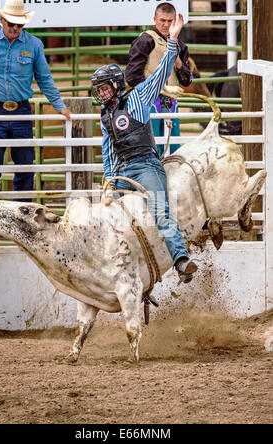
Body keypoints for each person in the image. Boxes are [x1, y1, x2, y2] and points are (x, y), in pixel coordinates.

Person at [91, 14, 197, 283]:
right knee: (108, 217)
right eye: (98, 91)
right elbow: (108, 150)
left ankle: (181, 260)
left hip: (146, 165)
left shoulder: (137, 97)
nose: (101, 95)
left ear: (116, 85)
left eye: (104, 89)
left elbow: (162, 71)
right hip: (122, 172)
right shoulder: (105, 117)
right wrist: (109, 178)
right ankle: (113, 270)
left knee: (161, 211)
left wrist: (172, 40)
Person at [0, 0, 71, 200]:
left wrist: (60, 107)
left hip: (21, 112)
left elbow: (44, 78)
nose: (16, 28)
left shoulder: (34, 44)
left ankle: (21, 214)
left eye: (20, 25)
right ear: (2, 20)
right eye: (11, 24)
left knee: (25, 168)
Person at [125, 2, 192, 155]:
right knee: (150, 148)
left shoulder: (179, 45)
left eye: (170, 21)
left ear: (175, 21)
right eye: (162, 20)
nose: (166, 24)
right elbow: (131, 76)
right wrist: (160, 88)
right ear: (155, 19)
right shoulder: (145, 40)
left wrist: (177, 61)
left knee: (173, 150)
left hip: (171, 103)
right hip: (148, 103)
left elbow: (187, 80)